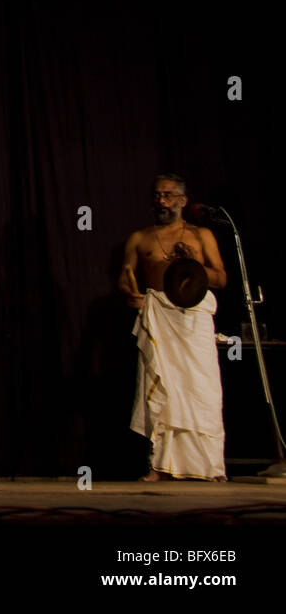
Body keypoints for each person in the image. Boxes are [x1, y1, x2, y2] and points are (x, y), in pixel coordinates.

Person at [119, 173, 229, 481]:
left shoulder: (201, 234)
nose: (160, 201)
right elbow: (125, 276)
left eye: (167, 196)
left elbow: (221, 279)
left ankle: (211, 467)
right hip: (159, 319)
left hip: (193, 321)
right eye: (156, 195)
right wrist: (131, 294)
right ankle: (158, 467)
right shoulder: (139, 238)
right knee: (162, 392)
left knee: (200, 391)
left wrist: (196, 262)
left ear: (183, 200)